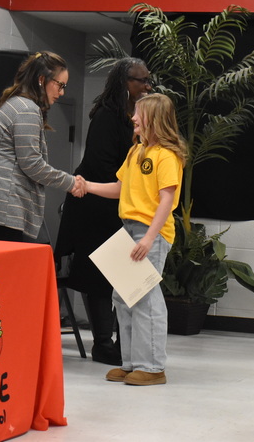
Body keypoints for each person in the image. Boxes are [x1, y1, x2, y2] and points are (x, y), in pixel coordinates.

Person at [84, 93, 186, 386]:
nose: (133, 118)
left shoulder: (167, 155)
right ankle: (130, 363)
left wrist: (149, 238)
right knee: (124, 296)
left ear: (154, 118)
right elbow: (120, 188)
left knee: (144, 296)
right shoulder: (135, 152)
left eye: (139, 113)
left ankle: (152, 367)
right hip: (128, 229)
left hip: (149, 231)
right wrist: (86, 186)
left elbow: (167, 200)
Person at [55, 57, 153, 365]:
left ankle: (126, 343)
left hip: (120, 203)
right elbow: (101, 167)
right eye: (141, 80)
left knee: (127, 278)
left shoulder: (136, 115)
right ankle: (102, 344)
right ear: (124, 83)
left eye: (148, 79)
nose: (148, 86)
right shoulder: (107, 116)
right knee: (100, 277)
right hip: (96, 205)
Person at [0, 51, 85, 242]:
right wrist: (71, 183)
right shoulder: (27, 109)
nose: (62, 92)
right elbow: (32, 165)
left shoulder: (18, 104)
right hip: (6, 207)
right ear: (42, 80)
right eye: (60, 85)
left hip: (0, 206)